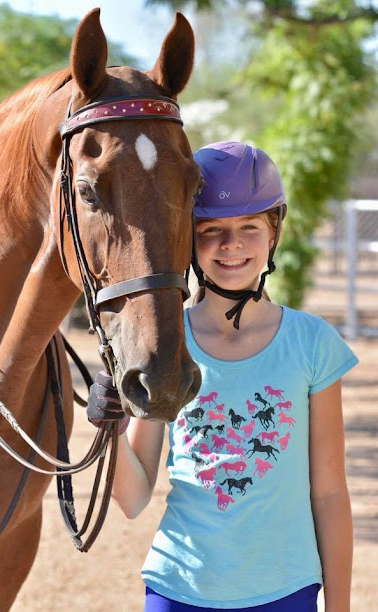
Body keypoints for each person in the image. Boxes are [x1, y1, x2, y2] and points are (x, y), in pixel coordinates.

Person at [87, 141, 358, 611]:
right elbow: (132, 498)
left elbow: (330, 492)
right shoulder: (165, 347)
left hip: (286, 590)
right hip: (178, 589)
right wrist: (108, 427)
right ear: (186, 237)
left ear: (273, 233)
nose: (230, 244)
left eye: (249, 227)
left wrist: (340, 606)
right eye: (211, 229)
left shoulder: (312, 343)